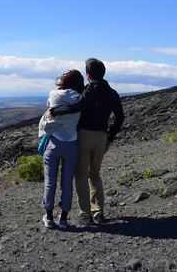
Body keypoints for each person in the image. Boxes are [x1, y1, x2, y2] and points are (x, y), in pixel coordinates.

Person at [48, 58, 124, 226]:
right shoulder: (112, 93)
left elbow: (78, 107)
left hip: (84, 136)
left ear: (88, 75)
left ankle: (85, 215)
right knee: (95, 174)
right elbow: (120, 117)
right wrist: (110, 138)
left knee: (81, 174)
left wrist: (55, 111)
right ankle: (99, 214)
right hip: (101, 137)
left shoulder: (89, 90)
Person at [40, 69, 85, 229]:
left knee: (50, 181)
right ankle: (64, 219)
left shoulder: (54, 95)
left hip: (54, 143)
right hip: (72, 143)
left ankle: (49, 217)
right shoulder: (79, 97)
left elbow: (49, 109)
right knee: (67, 182)